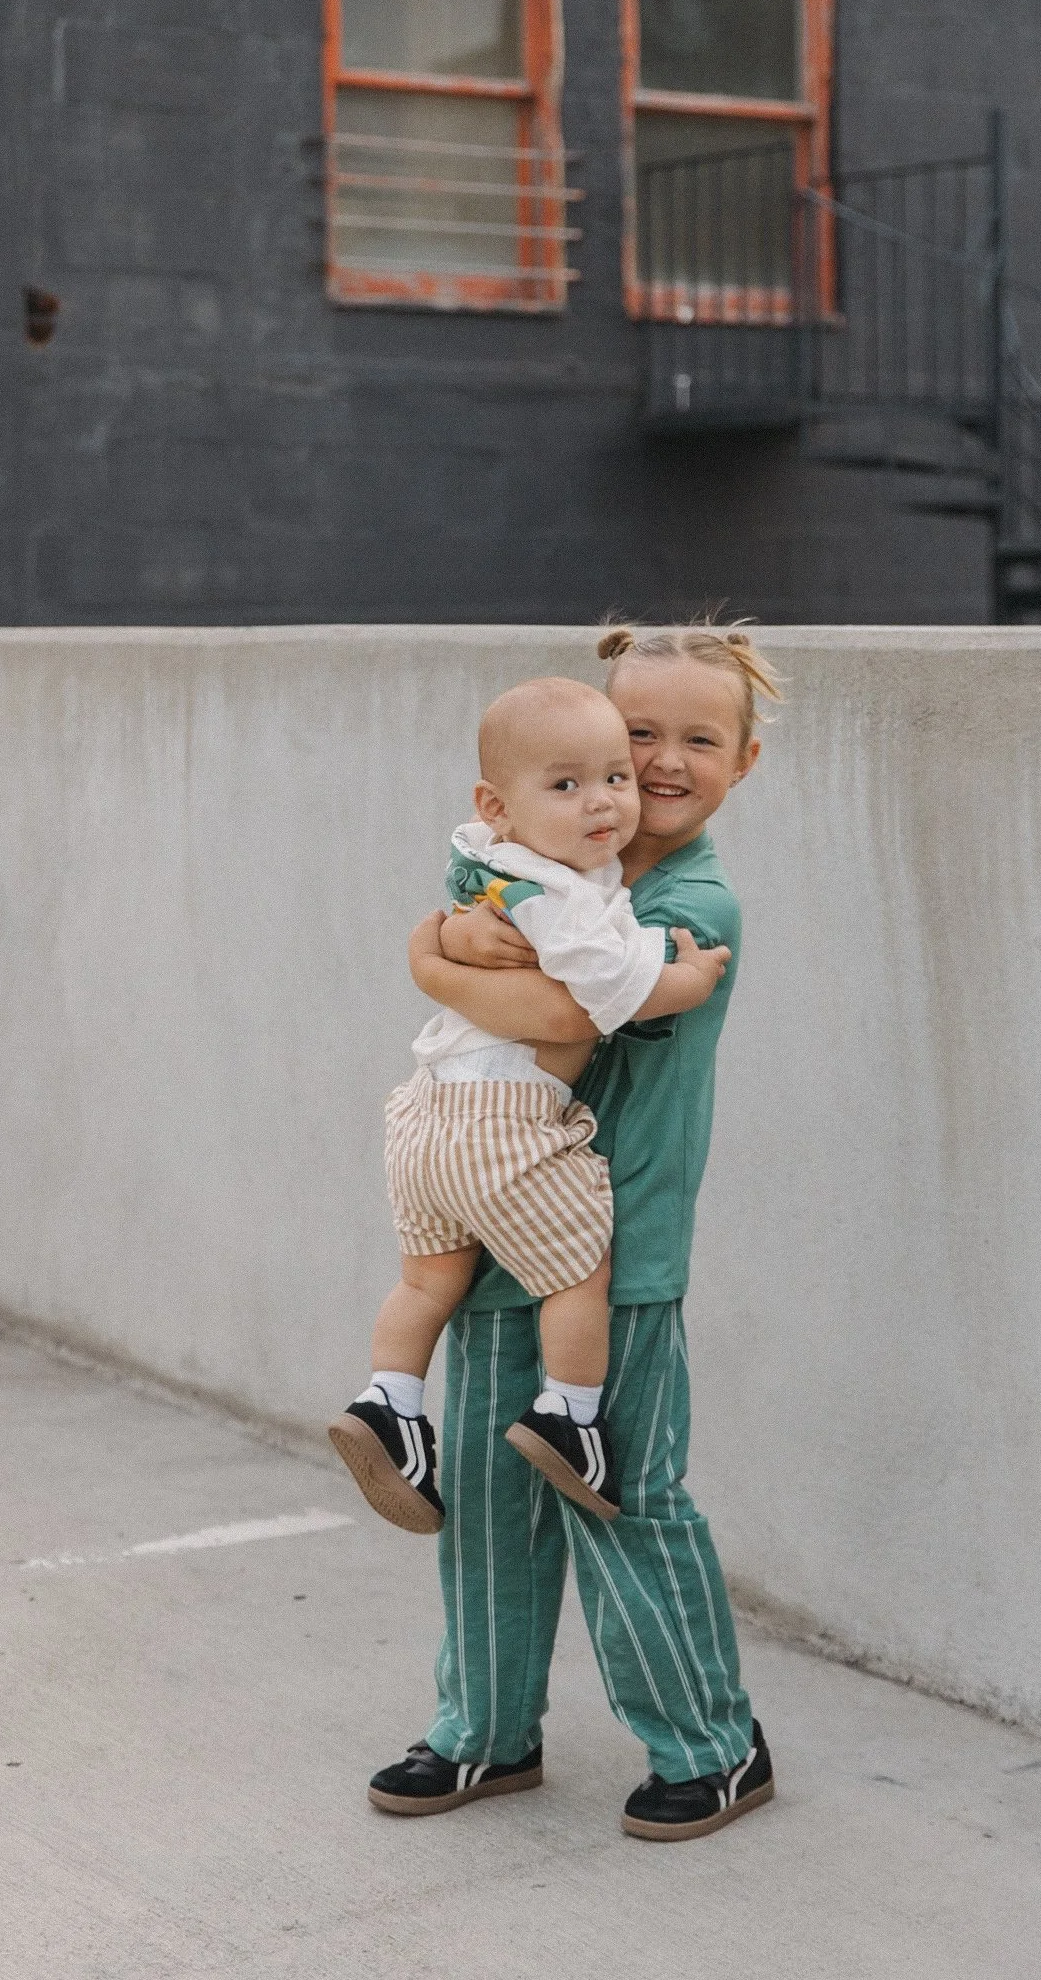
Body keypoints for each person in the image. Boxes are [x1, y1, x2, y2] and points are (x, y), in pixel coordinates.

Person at [367, 623, 781, 1843]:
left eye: (693, 740)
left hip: (617, 1256)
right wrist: (443, 935)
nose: (651, 765)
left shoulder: (691, 904)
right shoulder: (530, 863)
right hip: (494, 1229)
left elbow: (559, 1005)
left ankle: (711, 1744)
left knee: (622, 1498)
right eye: (631, 735)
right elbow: (466, 923)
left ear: (741, 764)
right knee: (492, 1501)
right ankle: (482, 1733)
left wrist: (433, 957)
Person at [330, 678, 731, 1533]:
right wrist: (686, 979)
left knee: (426, 1278)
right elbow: (600, 997)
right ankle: (572, 1414)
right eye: (567, 786)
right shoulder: (567, 896)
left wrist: (439, 945)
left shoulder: (488, 855)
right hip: (503, 1121)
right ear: (500, 803)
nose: (602, 805)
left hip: (424, 1120)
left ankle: (389, 1399)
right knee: (578, 1271)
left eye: (613, 779)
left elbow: (459, 895)